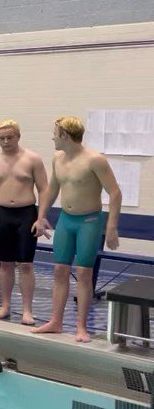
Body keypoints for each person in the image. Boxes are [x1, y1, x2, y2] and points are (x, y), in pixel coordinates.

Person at [32, 117, 121, 343]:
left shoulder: (95, 160)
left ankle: (82, 327)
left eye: (55, 133)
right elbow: (52, 189)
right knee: (60, 271)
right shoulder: (57, 159)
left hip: (89, 222)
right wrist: (41, 216)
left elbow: (115, 192)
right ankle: (56, 321)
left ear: (65, 135)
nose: (52, 137)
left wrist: (111, 227)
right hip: (66, 220)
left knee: (84, 273)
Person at [0, 120, 48, 326]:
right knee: (6, 262)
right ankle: (5, 306)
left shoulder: (32, 159)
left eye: (10, 137)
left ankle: (27, 310)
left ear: (18, 136)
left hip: (26, 214)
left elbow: (44, 189)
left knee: (26, 264)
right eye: (2, 138)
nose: (6, 141)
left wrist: (40, 218)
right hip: (2, 214)